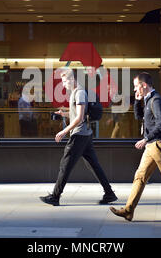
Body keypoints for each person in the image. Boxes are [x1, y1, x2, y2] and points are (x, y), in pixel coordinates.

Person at [110, 72, 161, 225]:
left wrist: (145, 139)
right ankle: (128, 210)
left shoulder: (156, 101)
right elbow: (138, 116)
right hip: (152, 146)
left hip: (159, 145)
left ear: (144, 85)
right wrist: (137, 101)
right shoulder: (148, 100)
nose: (135, 89)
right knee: (140, 177)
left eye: (136, 87)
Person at [39, 68, 117, 206]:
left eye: (64, 81)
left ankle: (55, 196)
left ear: (72, 79)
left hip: (79, 135)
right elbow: (77, 114)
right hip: (85, 134)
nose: (63, 85)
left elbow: (80, 118)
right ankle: (109, 194)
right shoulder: (76, 92)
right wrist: (64, 114)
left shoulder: (79, 93)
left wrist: (64, 131)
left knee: (65, 165)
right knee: (94, 165)